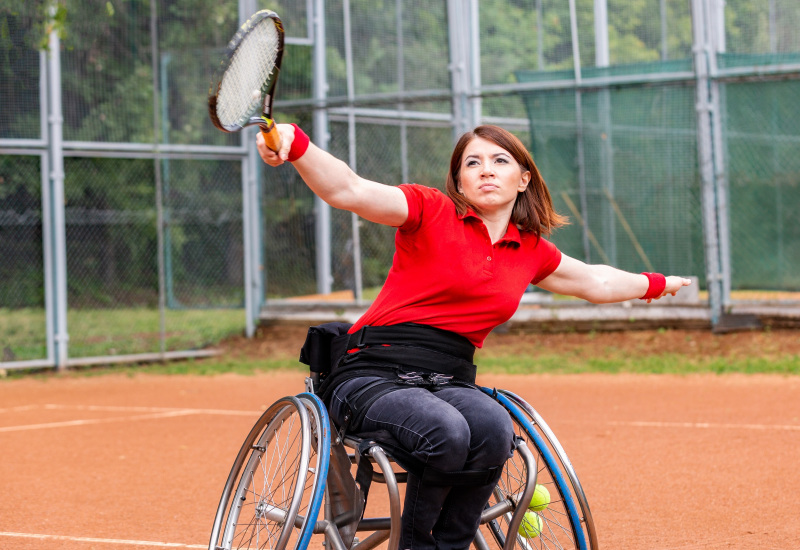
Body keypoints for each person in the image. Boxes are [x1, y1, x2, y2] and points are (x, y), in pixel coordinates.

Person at [258, 123, 691, 550]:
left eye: (500, 160)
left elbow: (597, 282)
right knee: (446, 431)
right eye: (473, 162)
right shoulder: (430, 210)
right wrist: (296, 143)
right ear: (460, 181)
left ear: (523, 180)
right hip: (372, 374)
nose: (486, 169)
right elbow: (349, 190)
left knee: (493, 430)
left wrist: (657, 283)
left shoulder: (530, 249)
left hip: (449, 380)